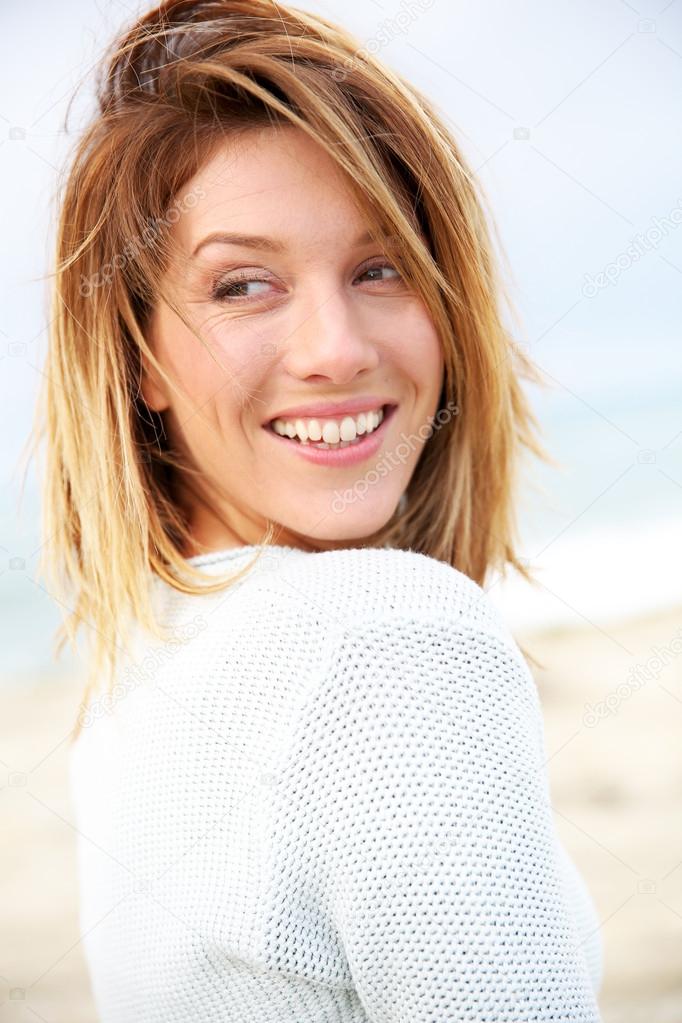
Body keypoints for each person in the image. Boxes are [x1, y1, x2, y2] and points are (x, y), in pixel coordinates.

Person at [34, 0, 604, 1018]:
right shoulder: (385, 635)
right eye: (244, 286)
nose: (334, 348)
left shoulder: (131, 678)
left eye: (378, 268)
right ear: (139, 360)